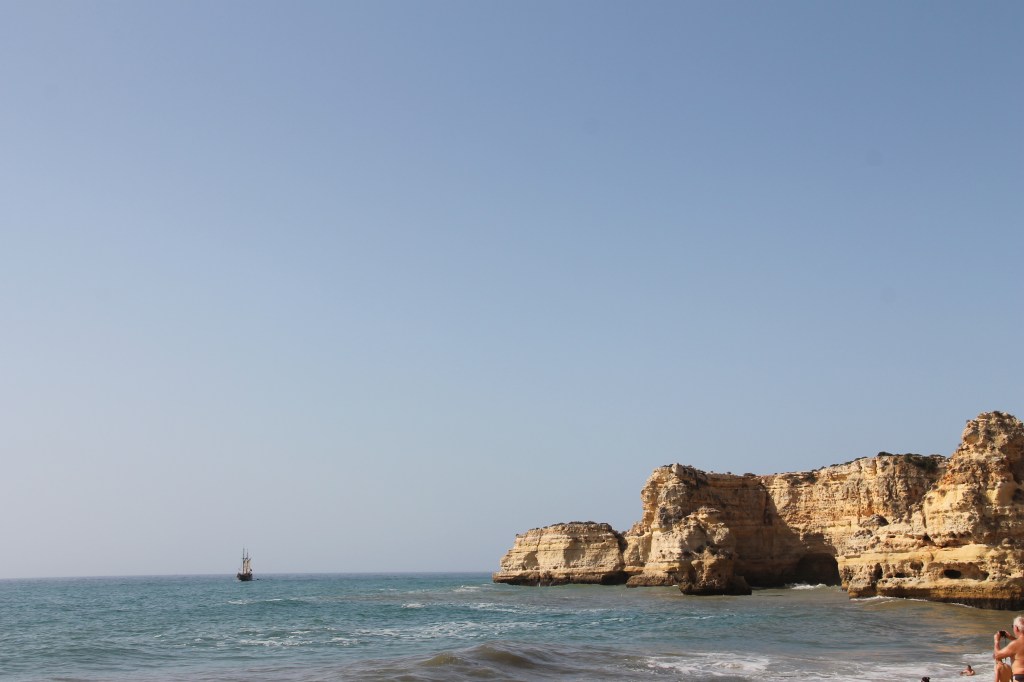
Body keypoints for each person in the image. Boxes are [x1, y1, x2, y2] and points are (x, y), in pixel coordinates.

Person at [993, 616, 1024, 682]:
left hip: (1020, 677)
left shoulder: (1015, 644)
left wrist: (996, 641)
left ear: (1016, 628)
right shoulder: (1017, 644)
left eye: (1013, 626)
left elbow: (997, 655)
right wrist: (1011, 637)